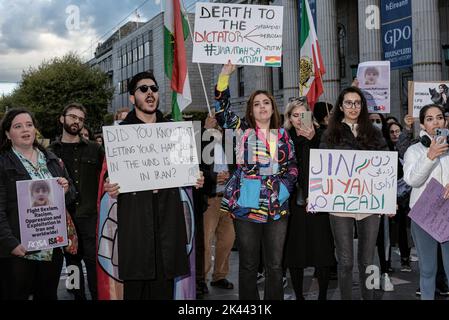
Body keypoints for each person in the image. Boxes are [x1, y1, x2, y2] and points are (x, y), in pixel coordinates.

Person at [103, 71, 205, 300]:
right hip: (136, 223)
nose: (150, 93)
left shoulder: (174, 131)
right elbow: (110, 176)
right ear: (132, 98)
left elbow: (189, 173)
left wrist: (197, 178)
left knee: (164, 287)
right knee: (136, 288)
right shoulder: (120, 134)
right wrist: (110, 185)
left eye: (154, 89)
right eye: (143, 89)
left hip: (167, 221)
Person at [214, 62, 298, 300]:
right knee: (249, 265)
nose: (262, 107)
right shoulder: (241, 130)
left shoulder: (283, 135)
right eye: (256, 104)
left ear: (273, 108)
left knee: (274, 265)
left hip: (277, 206)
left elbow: (292, 166)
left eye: (266, 103)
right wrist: (224, 77)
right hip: (246, 206)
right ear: (251, 110)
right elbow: (221, 111)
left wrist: (284, 190)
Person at [320, 86, 389, 300]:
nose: (353, 107)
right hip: (340, 204)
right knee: (346, 260)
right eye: (348, 103)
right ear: (341, 106)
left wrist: (389, 199)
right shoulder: (330, 134)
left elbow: (385, 167)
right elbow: (322, 168)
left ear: (362, 106)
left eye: (357, 103)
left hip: (370, 203)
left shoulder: (375, 133)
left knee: (368, 260)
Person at [0, 108, 74, 300]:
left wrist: (66, 189)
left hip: (51, 248)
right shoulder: (2, 164)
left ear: (35, 130)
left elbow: (70, 196)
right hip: (19, 250)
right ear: (8, 134)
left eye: (29, 125)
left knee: (48, 295)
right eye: (18, 126)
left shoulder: (52, 160)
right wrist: (11, 244)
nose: (25, 130)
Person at [49, 103, 105, 300]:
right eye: (73, 117)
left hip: (90, 217)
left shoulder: (95, 149)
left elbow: (108, 177)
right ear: (62, 118)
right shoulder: (49, 153)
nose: (76, 122)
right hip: (63, 219)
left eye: (80, 119)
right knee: (72, 264)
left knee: (93, 264)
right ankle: (77, 297)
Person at [283, 97, 336, 300]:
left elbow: (332, 164)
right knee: (295, 253)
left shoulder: (323, 135)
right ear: (289, 117)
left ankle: (322, 296)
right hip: (293, 204)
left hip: (319, 202)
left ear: (310, 115)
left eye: (302, 114)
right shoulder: (283, 138)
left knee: (321, 251)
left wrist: (313, 139)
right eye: (295, 115)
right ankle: (299, 296)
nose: (299, 119)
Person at [403, 104, 449, 300]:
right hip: (424, 217)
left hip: (447, 215)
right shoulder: (414, 151)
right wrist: (430, 157)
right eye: (429, 119)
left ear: (445, 122)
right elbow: (412, 180)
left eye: (439, 117)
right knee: (428, 270)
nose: (436, 121)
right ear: (422, 125)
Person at [202, 115, 235, 292]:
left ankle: (219, 276)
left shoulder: (228, 142)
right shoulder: (203, 141)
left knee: (227, 239)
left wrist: (232, 175)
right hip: (210, 198)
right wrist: (215, 177)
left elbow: (236, 166)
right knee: (206, 241)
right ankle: (202, 278)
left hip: (227, 198)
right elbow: (198, 168)